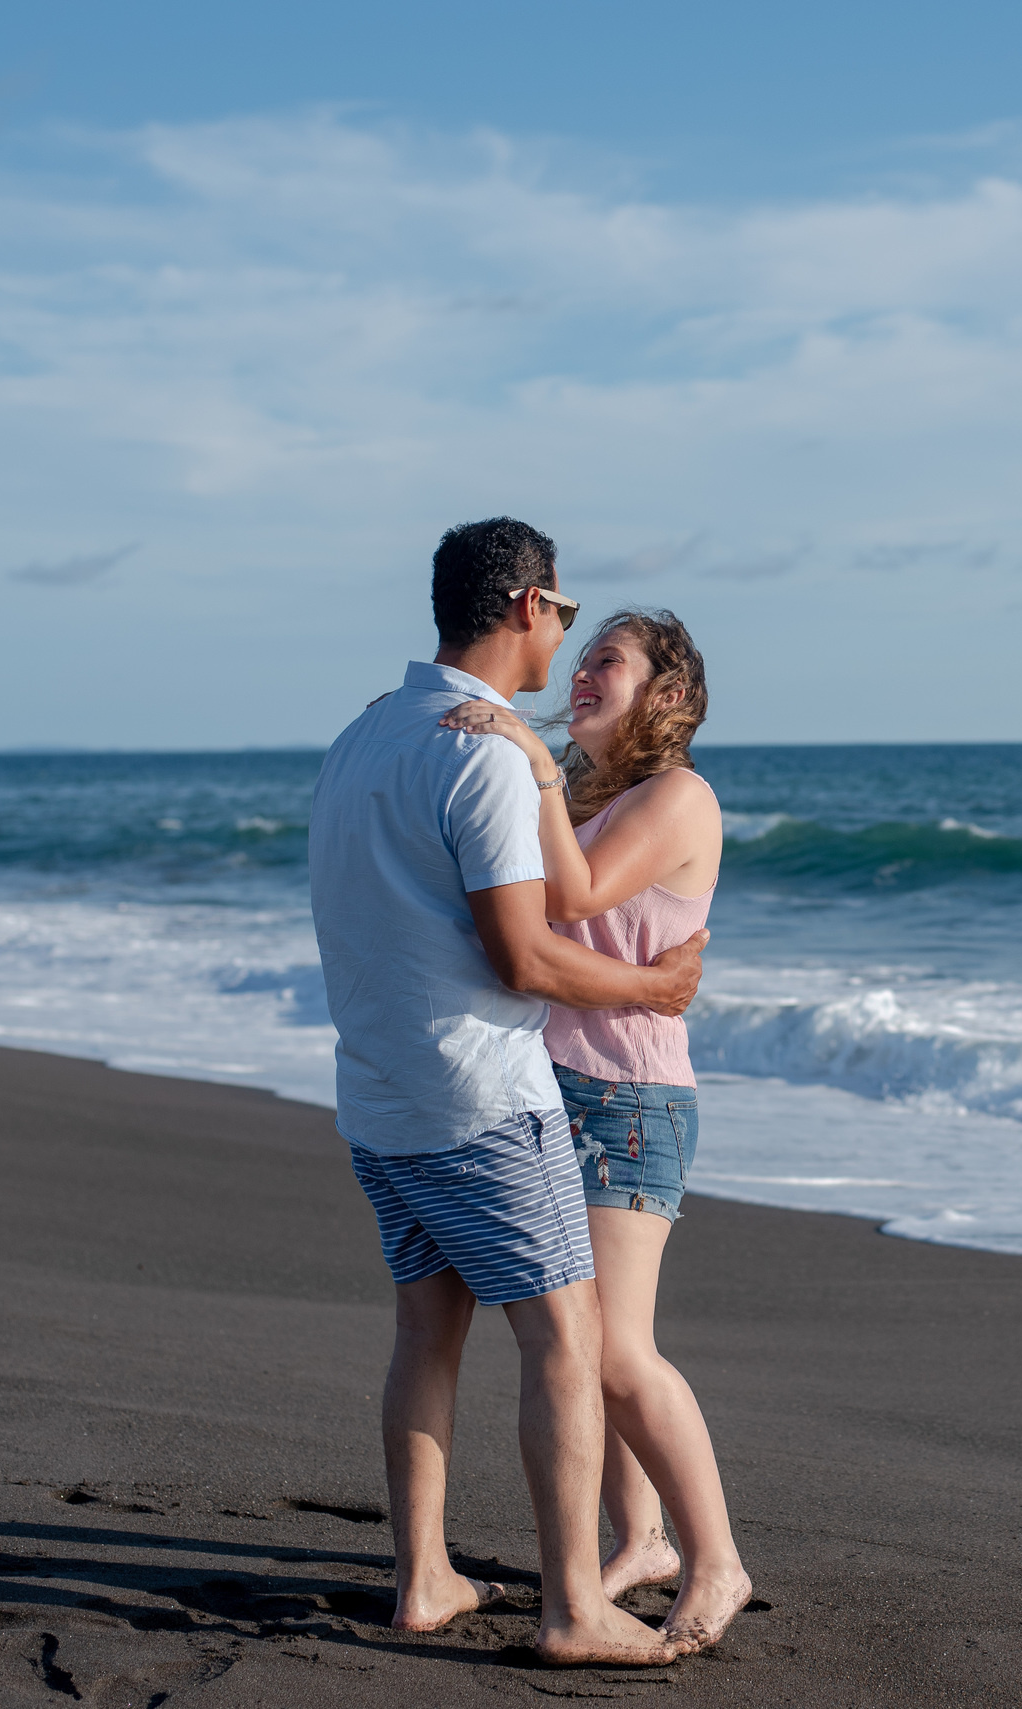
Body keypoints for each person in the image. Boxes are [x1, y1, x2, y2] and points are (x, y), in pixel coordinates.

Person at [307, 518, 709, 1665]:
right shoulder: (479, 751)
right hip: (478, 1097)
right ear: (529, 604)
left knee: (425, 1332)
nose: (566, 637)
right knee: (567, 1344)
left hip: (377, 1097)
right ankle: (577, 1605)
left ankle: (426, 1574)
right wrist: (648, 986)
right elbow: (524, 957)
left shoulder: (360, 737)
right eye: (566, 614)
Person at [437, 608, 753, 1652]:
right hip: (552, 1089)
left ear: (667, 693)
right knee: (582, 1344)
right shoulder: (584, 792)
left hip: (629, 1101)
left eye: (605, 659)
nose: (580, 675)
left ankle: (717, 1559)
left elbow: (570, 894)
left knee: (619, 1351)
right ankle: (644, 1538)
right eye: (577, 661)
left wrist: (521, 749)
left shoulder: (677, 796)